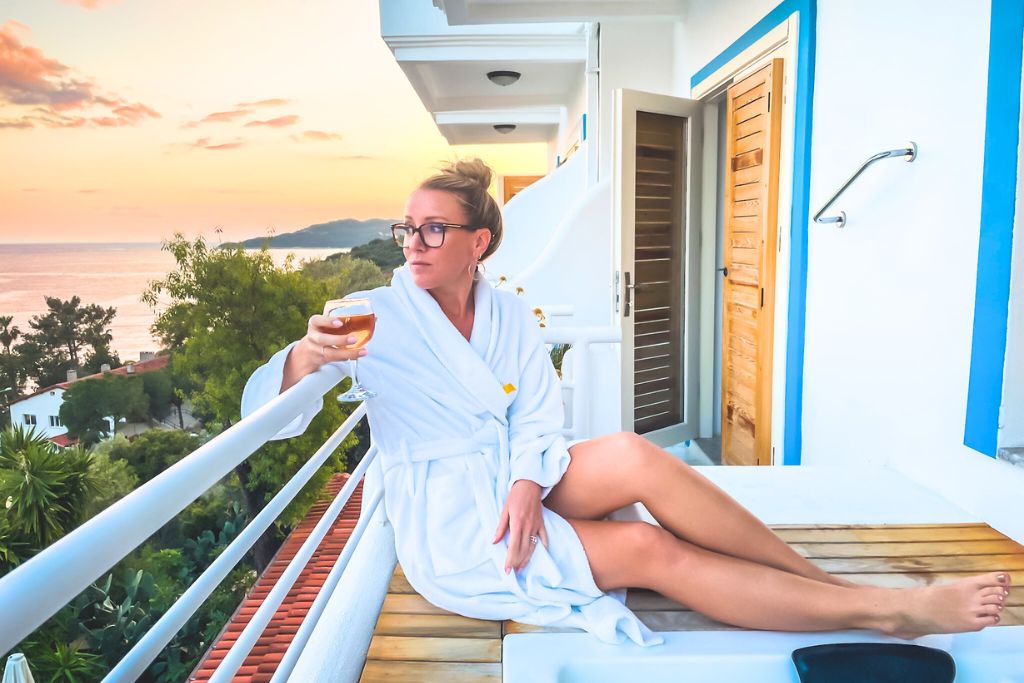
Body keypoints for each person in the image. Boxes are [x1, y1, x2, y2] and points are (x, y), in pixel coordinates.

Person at [241, 158, 1011, 646]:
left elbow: (536, 416)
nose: (413, 241)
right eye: (407, 226)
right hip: (451, 517)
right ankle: (882, 612)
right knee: (649, 551)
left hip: (511, 474)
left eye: (434, 228)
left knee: (640, 455)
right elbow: (264, 414)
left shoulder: (506, 311)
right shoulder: (369, 311)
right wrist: (309, 354)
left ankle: (825, 582)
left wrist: (523, 483)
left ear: (479, 243)